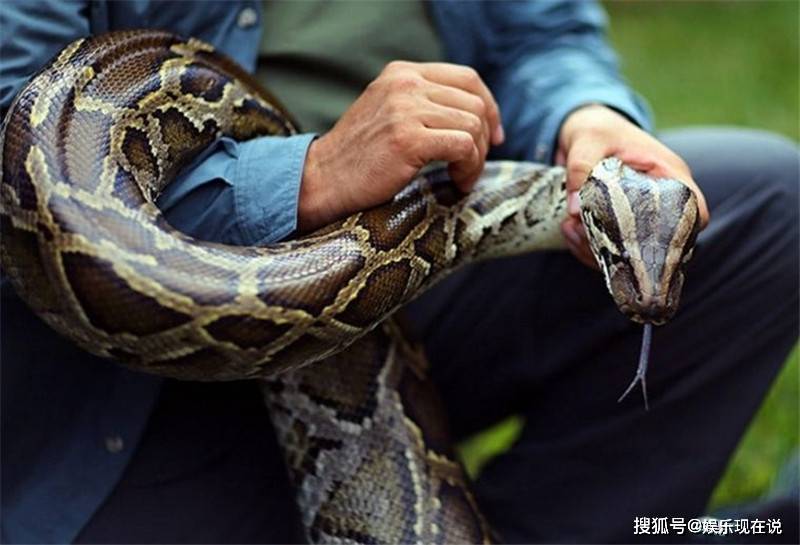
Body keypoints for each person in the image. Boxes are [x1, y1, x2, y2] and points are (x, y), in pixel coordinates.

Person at [0, 1, 796, 543]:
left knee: (766, 203)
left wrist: (586, 114)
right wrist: (312, 174)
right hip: (120, 375)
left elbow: (544, 38)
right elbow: (15, 133)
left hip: (410, 252)